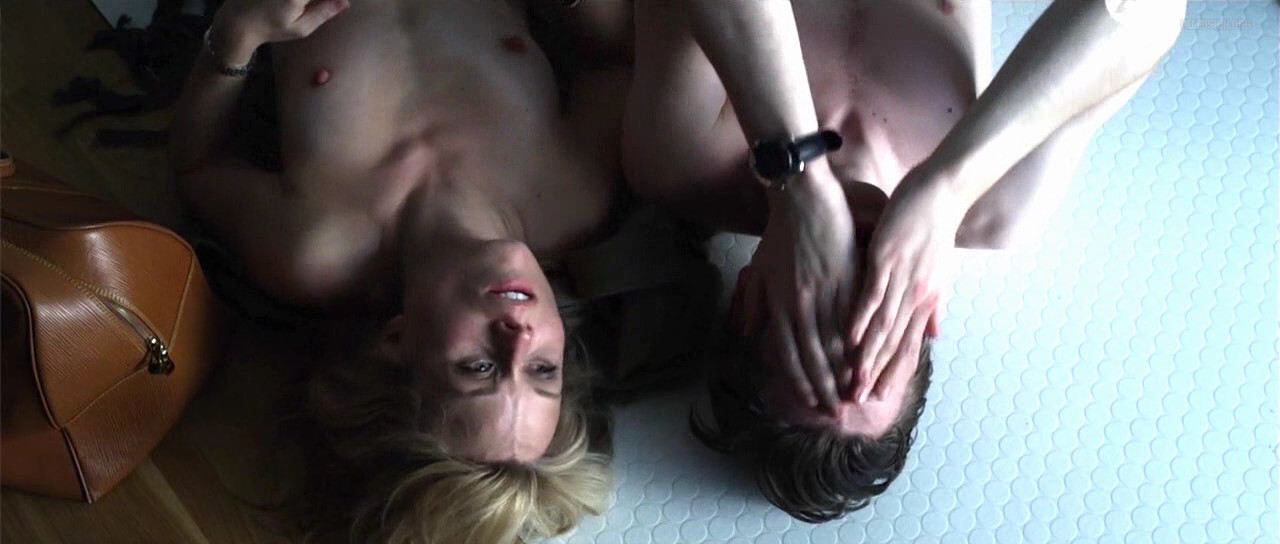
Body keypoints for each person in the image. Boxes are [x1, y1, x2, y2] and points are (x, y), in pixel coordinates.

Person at [622, 0, 1186, 521]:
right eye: (879, 333)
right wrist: (948, 187)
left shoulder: (680, 159)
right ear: (928, 316)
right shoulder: (998, 206)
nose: (857, 278)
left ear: (749, 298)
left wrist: (798, 183)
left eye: (822, 318)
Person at [169, 0, 629, 541]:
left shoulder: (317, 249)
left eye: (479, 367)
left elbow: (199, 167)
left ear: (396, 342)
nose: (519, 337)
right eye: (543, 369)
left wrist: (235, 36)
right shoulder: (574, 199)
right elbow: (614, 58)